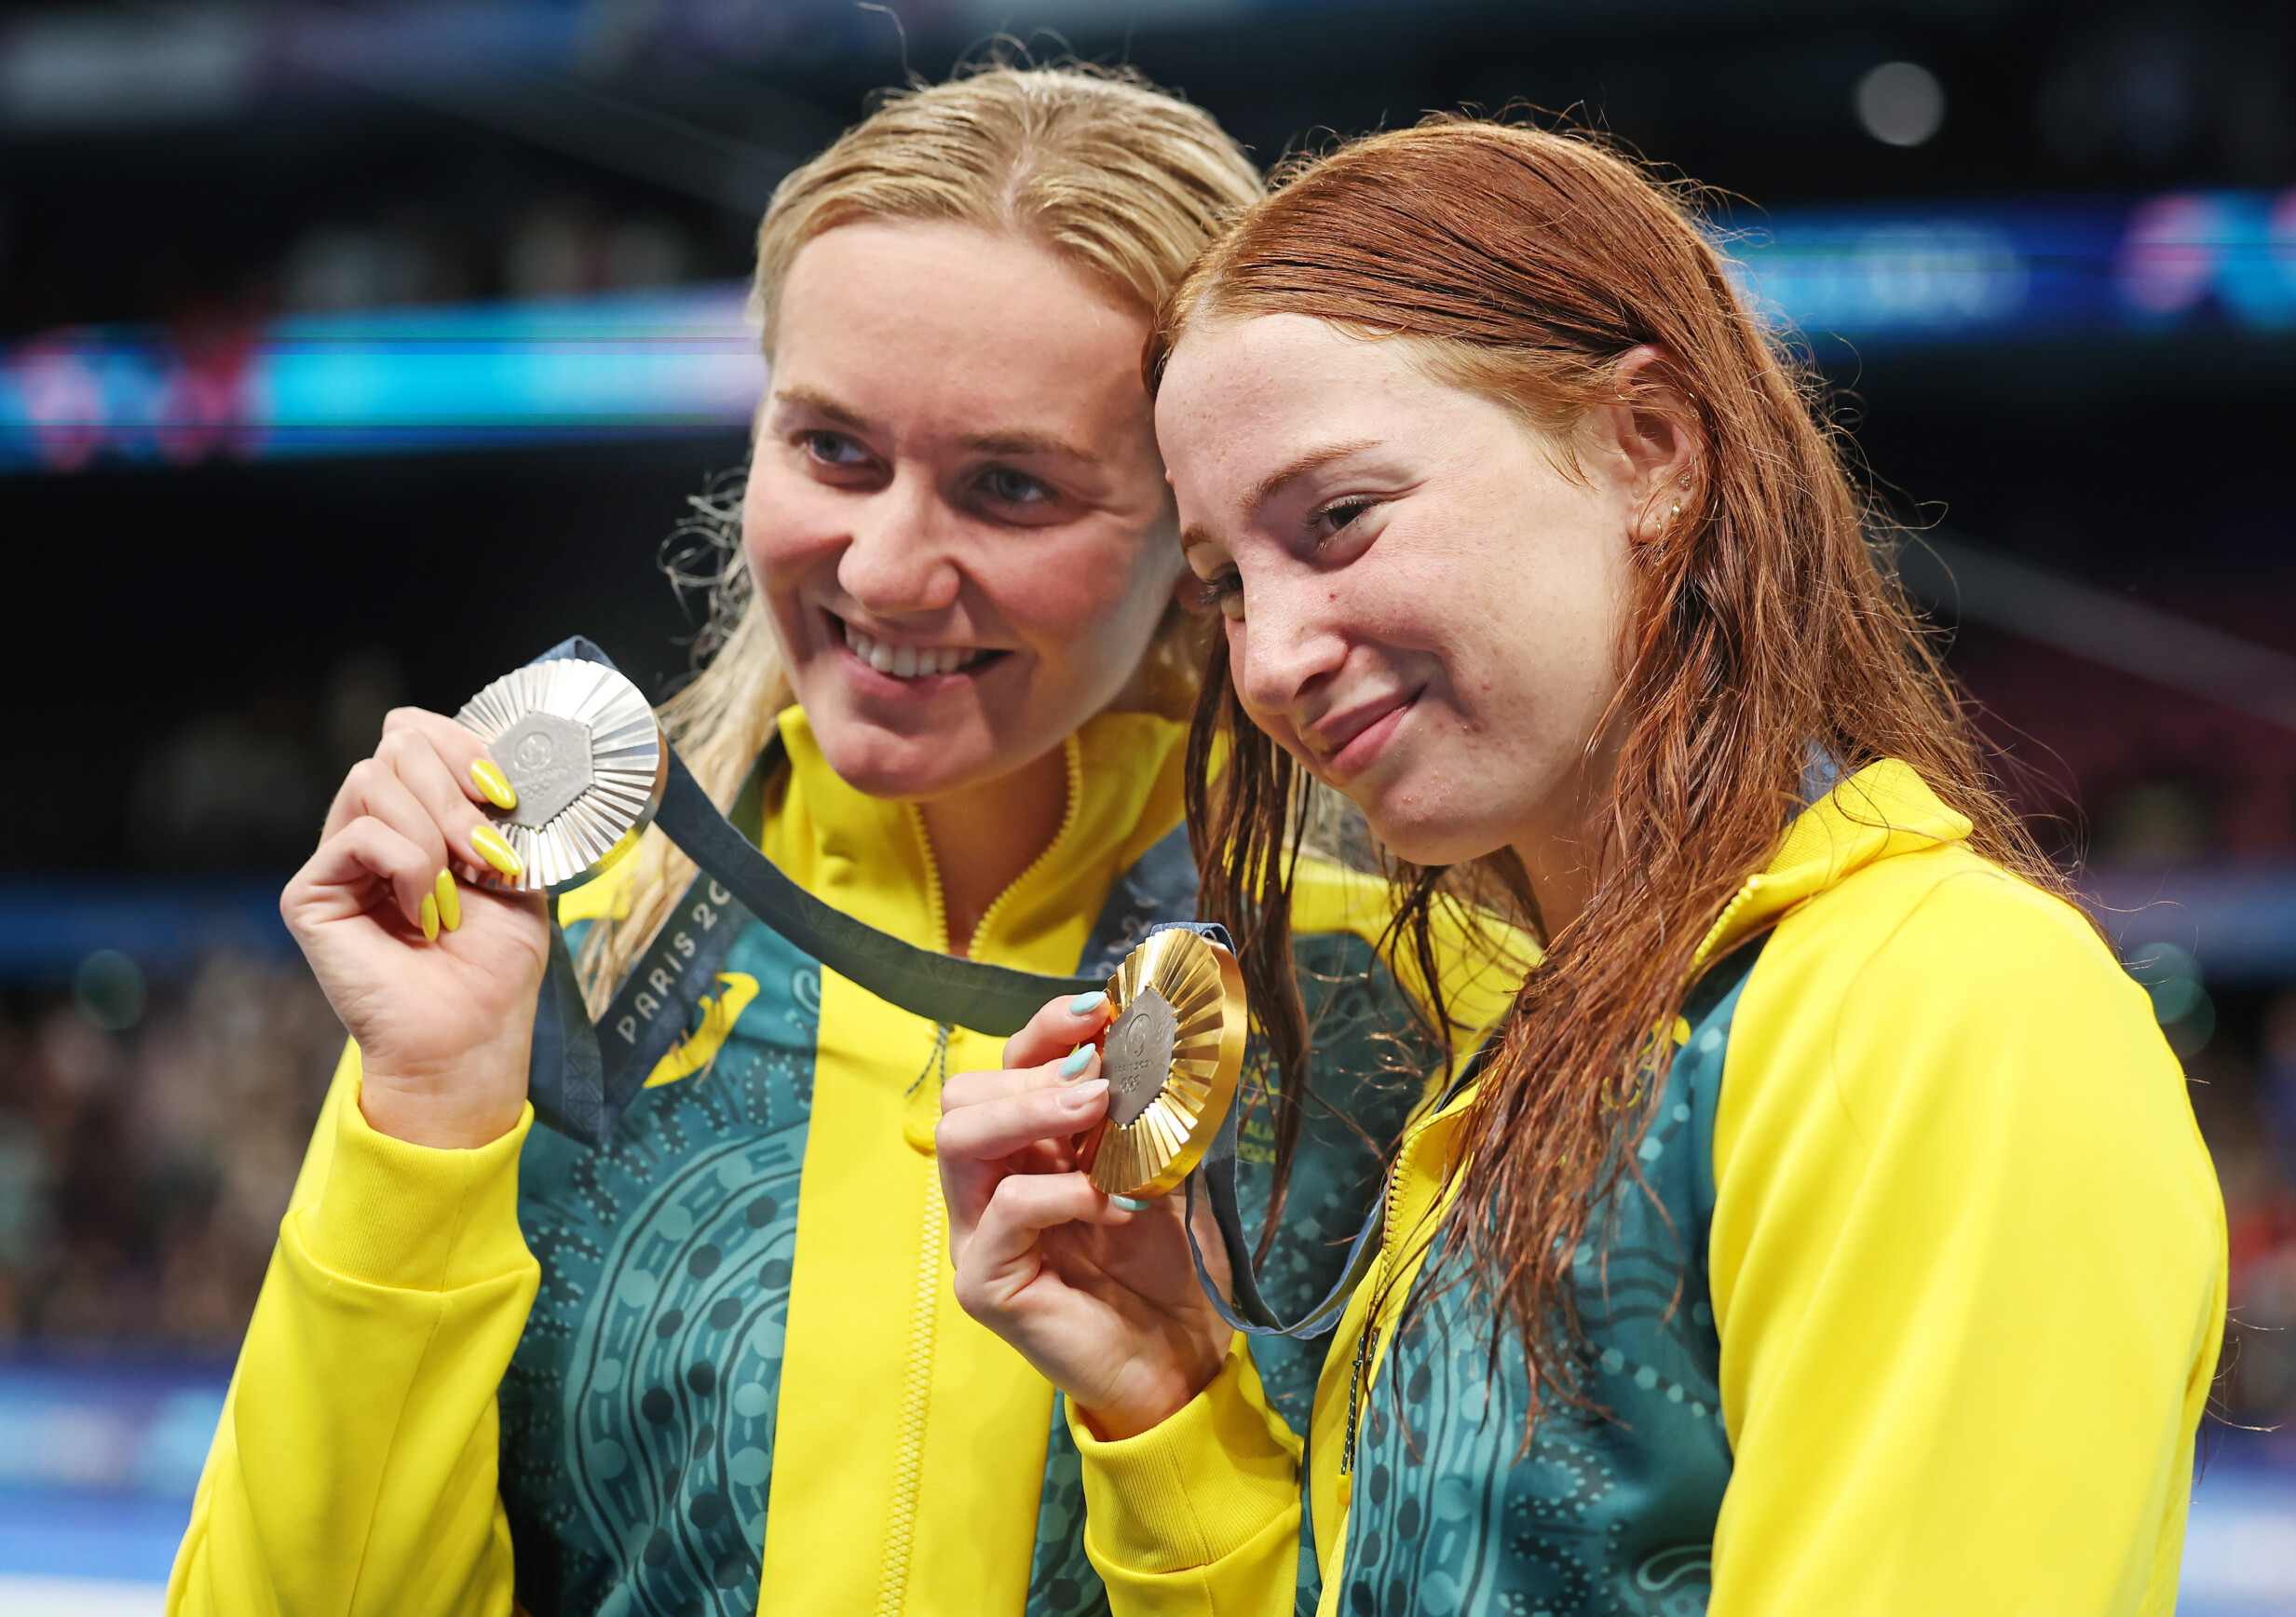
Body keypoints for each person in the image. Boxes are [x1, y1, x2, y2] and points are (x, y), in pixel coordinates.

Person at [170, 70, 1524, 1617]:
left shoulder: (1417, 993)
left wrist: (1167, 1434)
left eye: (1010, 487)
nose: (886, 567)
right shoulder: (545, 938)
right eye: (832, 451)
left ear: (1190, 528)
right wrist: (422, 1112)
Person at [939, 119, 2227, 1616]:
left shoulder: (1940, 1008)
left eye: (1340, 519)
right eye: (1228, 584)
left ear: (1651, 451)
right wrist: (1162, 1395)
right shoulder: (1533, 1053)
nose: (1273, 658)